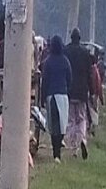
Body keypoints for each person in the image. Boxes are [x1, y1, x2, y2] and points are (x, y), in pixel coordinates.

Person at [41, 35, 72, 163]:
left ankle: (56, 153)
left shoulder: (47, 62)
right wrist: (66, 90)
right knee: (62, 125)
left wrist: (42, 98)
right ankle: (58, 151)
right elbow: (70, 79)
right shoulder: (66, 61)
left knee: (54, 126)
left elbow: (45, 81)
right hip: (63, 96)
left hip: (51, 96)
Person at [65, 28, 93, 159]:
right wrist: (91, 91)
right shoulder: (86, 53)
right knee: (81, 118)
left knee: (71, 119)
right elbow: (90, 74)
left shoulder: (66, 51)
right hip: (82, 91)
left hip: (69, 90)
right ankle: (82, 139)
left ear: (71, 38)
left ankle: (73, 147)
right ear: (80, 38)